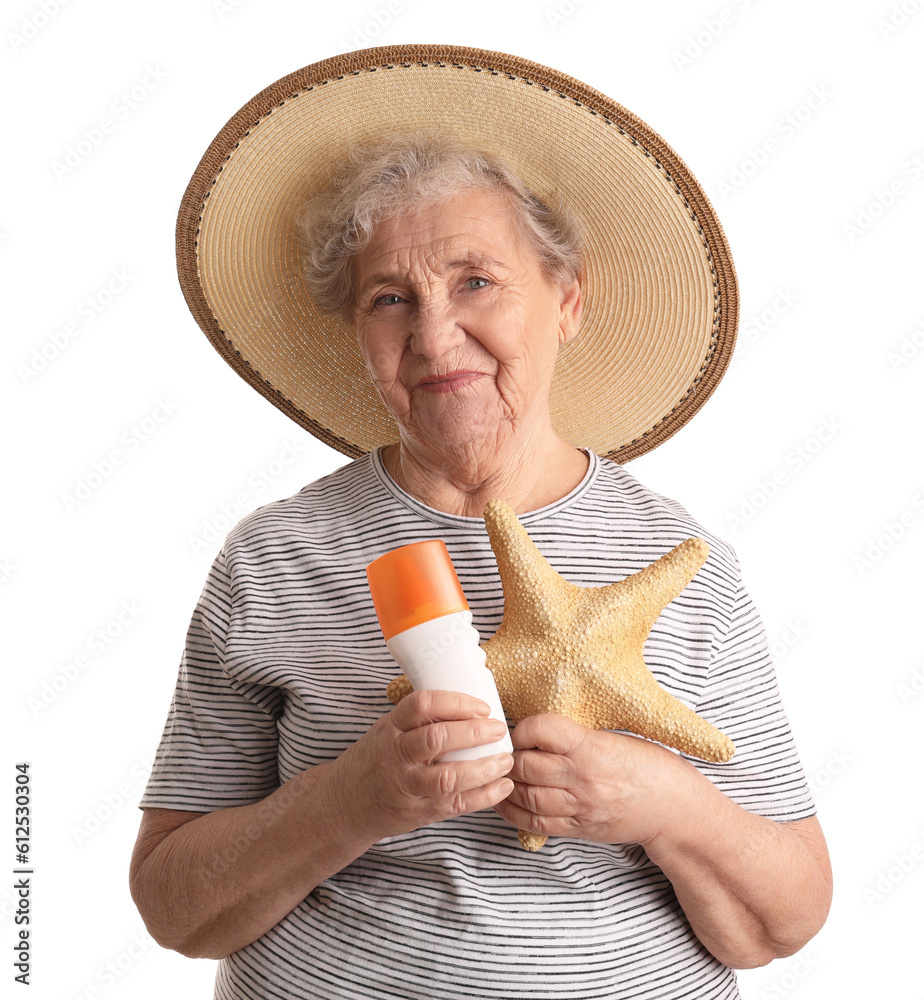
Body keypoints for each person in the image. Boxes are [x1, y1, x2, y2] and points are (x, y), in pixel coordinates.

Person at [130, 46, 831, 1000]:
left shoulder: (682, 563)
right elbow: (176, 910)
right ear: (360, 337)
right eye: (390, 299)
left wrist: (665, 803)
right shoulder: (275, 556)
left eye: (475, 281)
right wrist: (355, 798)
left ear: (566, 300)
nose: (433, 335)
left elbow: (780, 923)